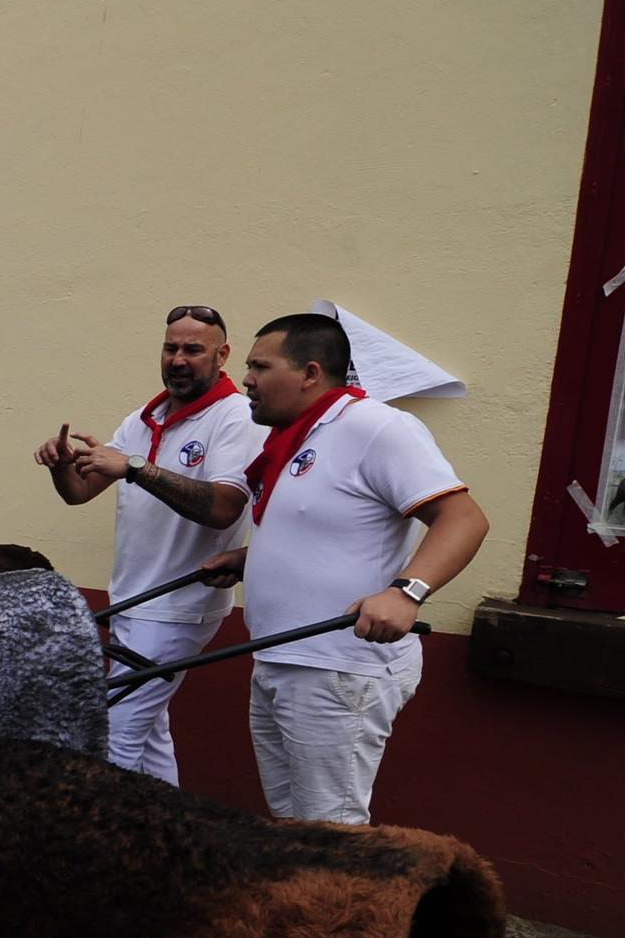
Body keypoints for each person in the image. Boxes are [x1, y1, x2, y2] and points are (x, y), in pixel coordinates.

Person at [201, 312, 488, 824]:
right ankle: (302, 906)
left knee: (332, 832)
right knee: (291, 823)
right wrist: (253, 559)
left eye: (260, 366)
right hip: (279, 658)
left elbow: (462, 519)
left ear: (310, 373)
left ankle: (345, 909)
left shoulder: (374, 427)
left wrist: (406, 593)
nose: (246, 379)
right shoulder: (295, 438)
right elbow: (326, 524)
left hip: (338, 667)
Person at [33, 305, 266, 783]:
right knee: (150, 739)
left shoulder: (235, 416)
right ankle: (171, 839)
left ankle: (106, 845)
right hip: (131, 599)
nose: (178, 359)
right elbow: (79, 494)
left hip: (178, 606)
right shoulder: (143, 417)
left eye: (193, 350)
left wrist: (136, 468)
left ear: (222, 355)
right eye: (170, 348)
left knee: (113, 734)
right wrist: (61, 465)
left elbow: (225, 507)